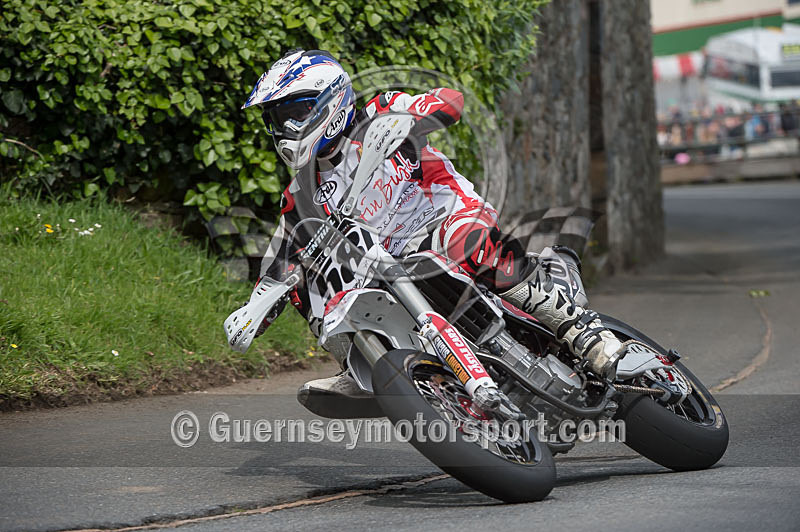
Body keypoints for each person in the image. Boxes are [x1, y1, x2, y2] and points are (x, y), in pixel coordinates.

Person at [239, 49, 625, 413]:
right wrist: (254, 309)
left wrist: (419, 117)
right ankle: (366, 360)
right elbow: (280, 260)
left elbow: (449, 100)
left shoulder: (379, 112)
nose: (285, 129)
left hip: (445, 216)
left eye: (294, 113)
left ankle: (582, 333)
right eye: (276, 119)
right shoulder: (301, 195)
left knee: (467, 243)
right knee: (308, 284)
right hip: (393, 261)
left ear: (330, 102)